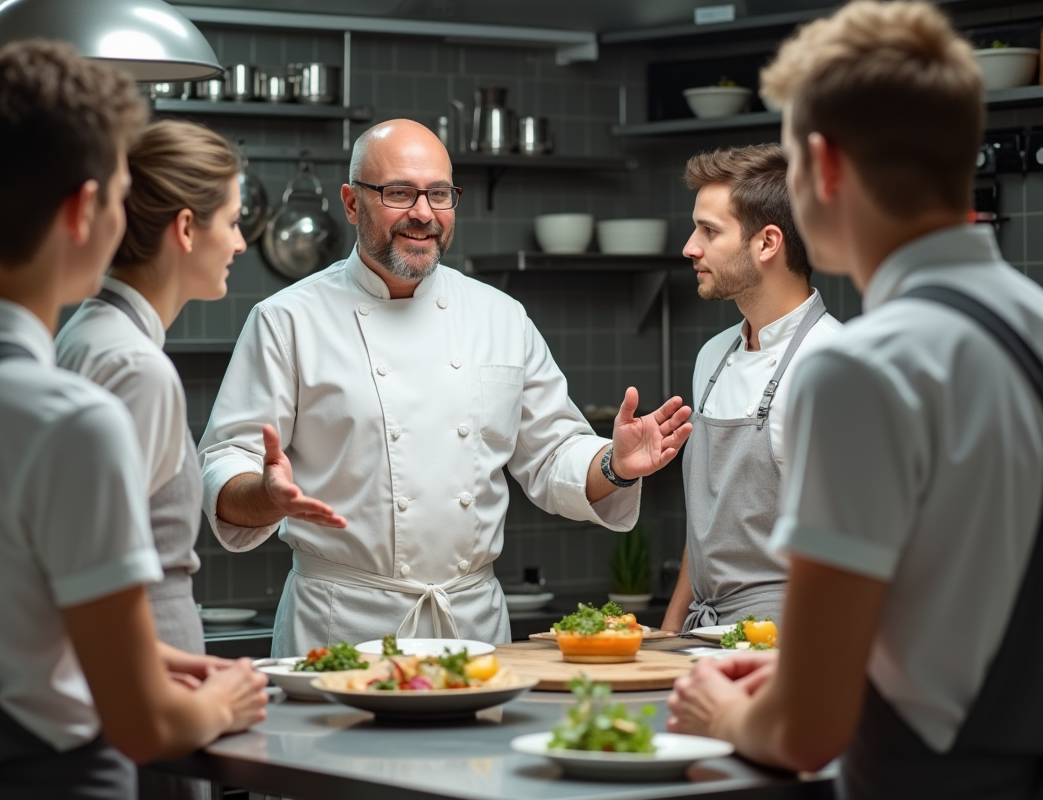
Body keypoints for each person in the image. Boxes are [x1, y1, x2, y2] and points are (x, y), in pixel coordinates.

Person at [0, 42, 267, 799]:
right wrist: (222, 700)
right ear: (83, 211)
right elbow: (144, 729)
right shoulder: (74, 424)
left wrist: (147, 660)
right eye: (119, 192)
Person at [666, 3, 1043, 798]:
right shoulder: (1030, 321)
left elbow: (808, 730)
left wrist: (721, 710)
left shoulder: (861, 369)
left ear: (826, 169)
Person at [199, 119, 694, 657]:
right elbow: (228, 460)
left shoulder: (499, 316)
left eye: (439, 194)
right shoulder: (287, 320)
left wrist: (613, 464)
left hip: (471, 629)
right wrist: (265, 497)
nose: (423, 213)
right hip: (341, 628)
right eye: (398, 193)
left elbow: (553, 453)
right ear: (350, 202)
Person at [56, 120, 247, 800]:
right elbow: (99, 562)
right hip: (147, 686)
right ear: (187, 228)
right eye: (233, 220)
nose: (241, 242)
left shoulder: (88, 331)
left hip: (114, 680)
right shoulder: (137, 367)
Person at [661, 144, 841, 633]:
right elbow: (708, 526)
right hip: (703, 634)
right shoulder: (713, 356)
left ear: (767, 243)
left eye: (709, 231)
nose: (689, 247)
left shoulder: (833, 370)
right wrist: (671, 630)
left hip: (782, 643)